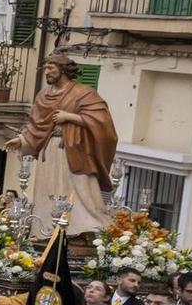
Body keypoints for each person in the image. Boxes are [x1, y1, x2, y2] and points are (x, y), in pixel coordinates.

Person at [6, 52, 120, 240]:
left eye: (51, 68)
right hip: (49, 150)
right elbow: (36, 125)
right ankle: (45, 231)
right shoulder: (43, 95)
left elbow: (102, 121)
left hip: (74, 150)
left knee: (81, 189)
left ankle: (85, 228)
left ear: (63, 69)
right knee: (48, 190)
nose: (47, 72)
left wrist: (70, 117)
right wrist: (21, 140)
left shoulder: (83, 92)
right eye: (46, 68)